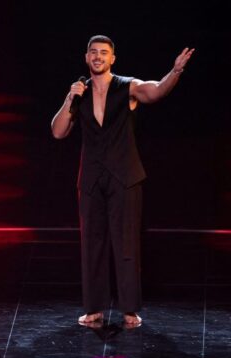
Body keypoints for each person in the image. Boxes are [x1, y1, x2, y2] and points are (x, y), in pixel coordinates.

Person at [51, 35, 194, 327]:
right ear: (86, 57)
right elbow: (58, 132)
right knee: (92, 244)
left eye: (104, 52)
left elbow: (155, 92)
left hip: (125, 176)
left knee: (126, 242)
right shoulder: (80, 93)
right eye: (93, 52)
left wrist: (176, 71)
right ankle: (94, 308)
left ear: (112, 58)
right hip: (91, 179)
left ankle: (129, 309)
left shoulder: (127, 86)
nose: (98, 56)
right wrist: (69, 98)